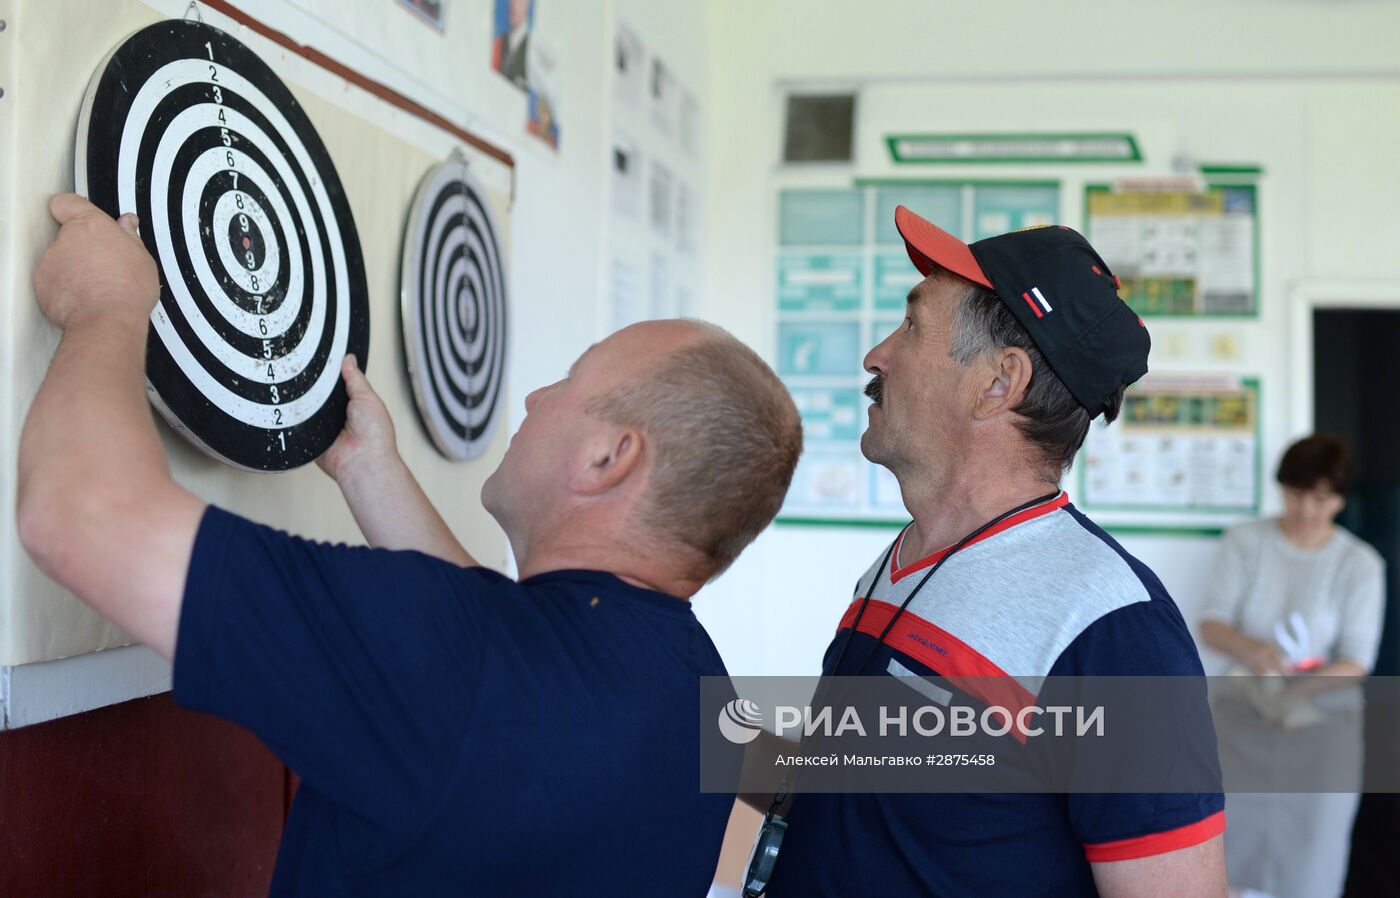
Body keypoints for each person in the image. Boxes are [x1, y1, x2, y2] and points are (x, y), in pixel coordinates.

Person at [17, 194, 803, 897]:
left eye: (570, 379)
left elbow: (78, 513)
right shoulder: (699, 695)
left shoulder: (458, 665)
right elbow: (506, 668)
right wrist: (371, 474)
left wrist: (108, 306)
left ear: (608, 459)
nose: (535, 396)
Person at [747, 208, 1228, 897]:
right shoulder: (908, 559)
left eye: (911, 326)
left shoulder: (1115, 629)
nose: (875, 356)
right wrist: (683, 726)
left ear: (1000, 382)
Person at [1200, 434, 1385, 898]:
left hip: (1322, 728)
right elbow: (1212, 623)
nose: (1306, 509)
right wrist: (1252, 651)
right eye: (1297, 494)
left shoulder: (1359, 564)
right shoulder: (1245, 541)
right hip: (1243, 720)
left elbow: (1356, 660)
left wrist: (1293, 691)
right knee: (1229, 853)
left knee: (1313, 858)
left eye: (1321, 498)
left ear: (1341, 499)